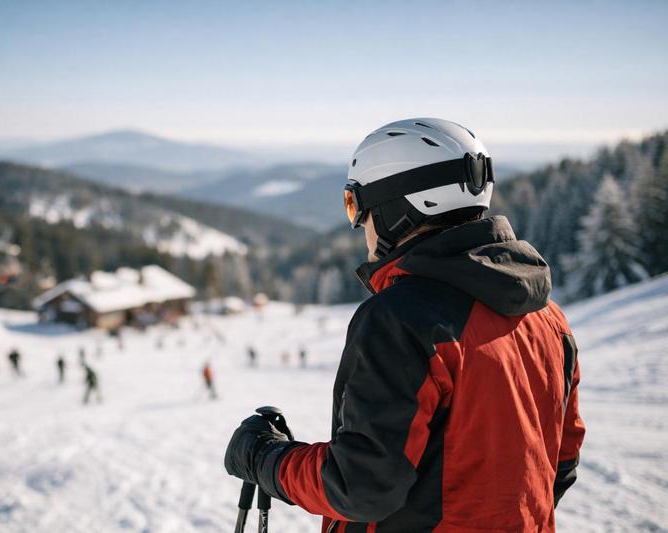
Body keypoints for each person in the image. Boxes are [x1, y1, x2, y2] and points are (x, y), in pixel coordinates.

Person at [224, 118, 585, 532]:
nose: (359, 222)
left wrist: (266, 458)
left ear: (398, 208)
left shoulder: (402, 319)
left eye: (354, 204)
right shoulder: (548, 319)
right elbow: (560, 460)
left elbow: (360, 486)